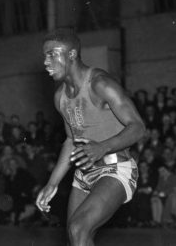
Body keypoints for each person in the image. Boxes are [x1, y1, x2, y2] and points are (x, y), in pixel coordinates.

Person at [35, 29, 145, 246]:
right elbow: (70, 140)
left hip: (116, 169)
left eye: (52, 54)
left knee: (79, 228)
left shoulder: (100, 83)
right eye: (44, 56)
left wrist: (102, 147)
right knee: (75, 238)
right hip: (84, 175)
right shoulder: (60, 97)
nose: (46, 62)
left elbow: (139, 127)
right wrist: (52, 183)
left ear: (72, 54)